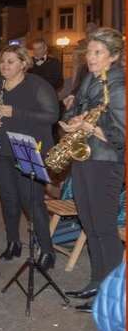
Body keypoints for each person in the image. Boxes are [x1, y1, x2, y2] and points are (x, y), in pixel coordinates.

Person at [60, 28, 125, 312]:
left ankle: (110, 297)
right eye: (89, 51)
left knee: (104, 229)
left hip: (105, 163)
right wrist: (72, 122)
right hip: (85, 159)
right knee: (89, 224)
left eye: (98, 52)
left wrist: (91, 127)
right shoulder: (89, 80)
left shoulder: (120, 88)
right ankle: (96, 282)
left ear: (114, 57)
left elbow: (121, 135)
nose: (91, 57)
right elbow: (78, 109)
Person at [0, 44, 58, 270]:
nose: (5, 65)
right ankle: (13, 242)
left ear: (24, 63)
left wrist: (15, 112)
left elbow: (52, 115)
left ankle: (47, 250)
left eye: (11, 61)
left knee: (32, 202)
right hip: (0, 150)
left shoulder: (37, 85)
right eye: (3, 61)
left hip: (28, 149)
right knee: (9, 199)